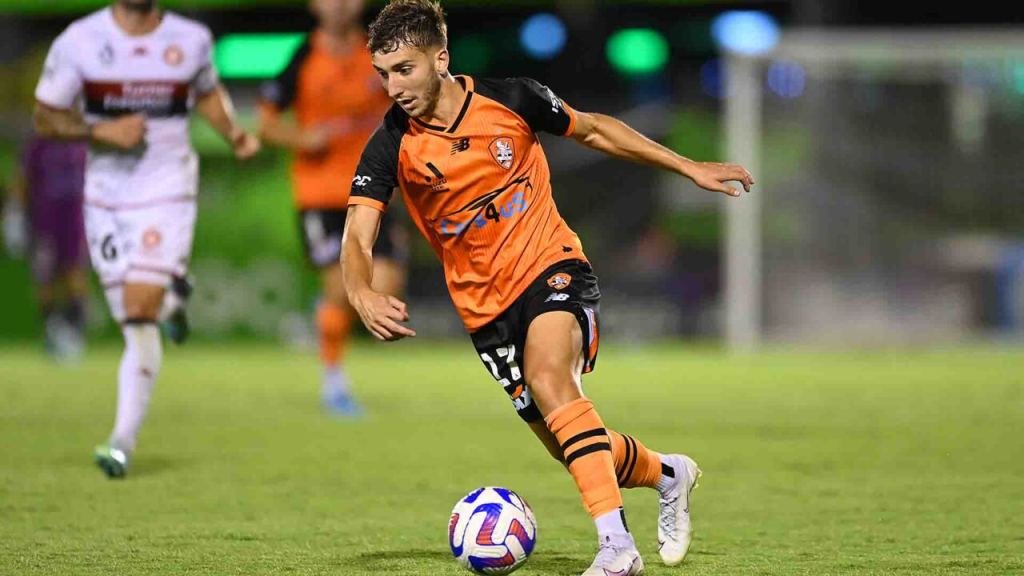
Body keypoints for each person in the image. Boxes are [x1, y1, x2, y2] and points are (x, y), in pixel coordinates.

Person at [342, 2, 755, 573]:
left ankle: (617, 548)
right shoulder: (391, 142)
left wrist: (688, 166)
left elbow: (595, 129)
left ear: (440, 58)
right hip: (484, 311)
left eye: (404, 70)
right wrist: (360, 291)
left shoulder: (512, 99)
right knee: (571, 444)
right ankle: (668, 473)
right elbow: (357, 234)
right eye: (384, 74)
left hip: (551, 266)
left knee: (550, 378)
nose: (393, 88)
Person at [33, 0, 260, 478]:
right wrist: (100, 130)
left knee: (138, 313)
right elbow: (46, 116)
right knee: (135, 315)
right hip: (105, 198)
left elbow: (207, 92)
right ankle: (173, 300)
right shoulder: (80, 40)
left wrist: (234, 135)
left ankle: (121, 441)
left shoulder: (190, 39)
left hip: (167, 190)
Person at [259, 0, 406, 416]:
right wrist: (303, 139)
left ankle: (323, 315)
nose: (339, 5)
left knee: (386, 292)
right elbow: (266, 124)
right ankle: (334, 382)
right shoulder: (302, 57)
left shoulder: (380, 54)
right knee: (343, 291)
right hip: (321, 194)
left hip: (375, 190)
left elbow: (407, 107)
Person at [11, 136, 90, 360]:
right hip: (44, 223)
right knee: (45, 279)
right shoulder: (37, 145)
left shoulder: (80, 144)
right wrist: (16, 214)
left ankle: (74, 335)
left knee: (74, 275)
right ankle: (52, 332)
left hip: (75, 223)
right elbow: (22, 181)